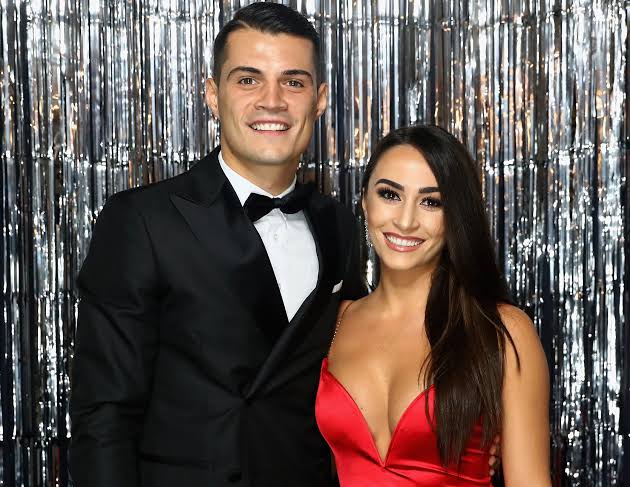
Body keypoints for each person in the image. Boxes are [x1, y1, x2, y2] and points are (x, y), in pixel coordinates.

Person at [69, 4, 366, 486]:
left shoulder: (339, 225)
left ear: (320, 99)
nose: (272, 101)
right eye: (248, 80)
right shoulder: (142, 221)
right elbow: (104, 415)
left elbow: (365, 363)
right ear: (212, 95)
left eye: (293, 82)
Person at [315, 125, 551, 486]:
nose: (405, 221)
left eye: (431, 202)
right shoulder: (334, 320)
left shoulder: (503, 331)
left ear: (455, 215)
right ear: (364, 200)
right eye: (390, 194)